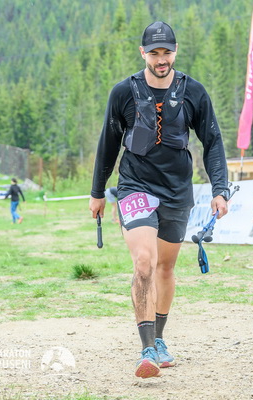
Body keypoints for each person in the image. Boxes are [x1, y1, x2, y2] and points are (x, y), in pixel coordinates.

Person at [89, 21, 230, 379]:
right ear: (143, 53)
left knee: (165, 268)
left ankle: (160, 339)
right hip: (135, 185)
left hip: (177, 189)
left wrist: (220, 188)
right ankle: (146, 348)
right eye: (154, 53)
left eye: (167, 52)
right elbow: (108, 143)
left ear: (175, 51)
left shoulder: (193, 91)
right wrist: (97, 192)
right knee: (144, 263)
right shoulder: (124, 92)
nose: (161, 59)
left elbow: (212, 141)